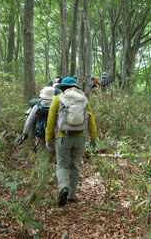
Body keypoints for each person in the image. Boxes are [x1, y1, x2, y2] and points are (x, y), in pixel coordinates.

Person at [45, 77, 97, 207]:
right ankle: (72, 195)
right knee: (74, 166)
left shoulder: (58, 99)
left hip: (63, 137)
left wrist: (48, 139)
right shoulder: (83, 99)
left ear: (62, 88)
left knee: (62, 165)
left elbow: (51, 120)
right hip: (80, 138)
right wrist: (93, 138)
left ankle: (63, 187)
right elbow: (91, 120)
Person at [21, 86, 56, 188]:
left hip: (40, 137)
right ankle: (51, 178)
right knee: (52, 158)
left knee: (42, 159)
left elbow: (29, 122)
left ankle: (43, 183)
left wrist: (25, 133)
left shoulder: (37, 106)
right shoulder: (56, 106)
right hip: (54, 137)